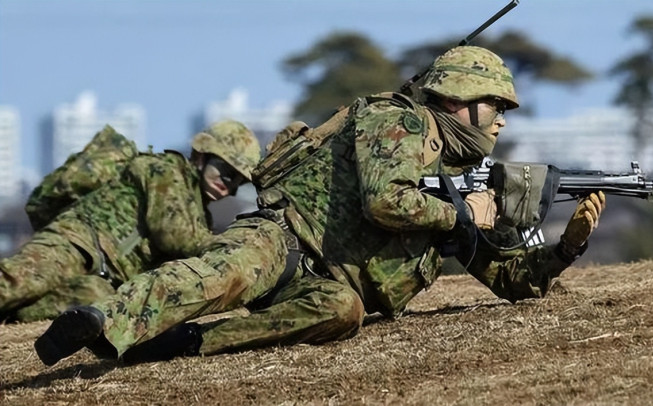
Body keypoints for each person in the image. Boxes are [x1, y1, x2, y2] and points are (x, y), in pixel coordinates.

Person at [34, 46, 605, 366]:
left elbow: (510, 280)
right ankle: (105, 321)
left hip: (327, 284)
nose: (502, 120)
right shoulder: (399, 121)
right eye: (495, 105)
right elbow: (386, 201)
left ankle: (177, 345)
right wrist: (462, 215)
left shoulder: (461, 178)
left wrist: (566, 249)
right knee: (223, 275)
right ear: (459, 98)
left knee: (343, 313)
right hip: (283, 238)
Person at [0, 120, 261, 322]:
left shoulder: (200, 216)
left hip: (104, 281)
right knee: (18, 283)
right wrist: (229, 244)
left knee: (86, 301)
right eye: (226, 173)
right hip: (76, 244)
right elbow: (173, 234)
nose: (229, 186)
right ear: (202, 156)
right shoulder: (164, 170)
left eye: (238, 182)